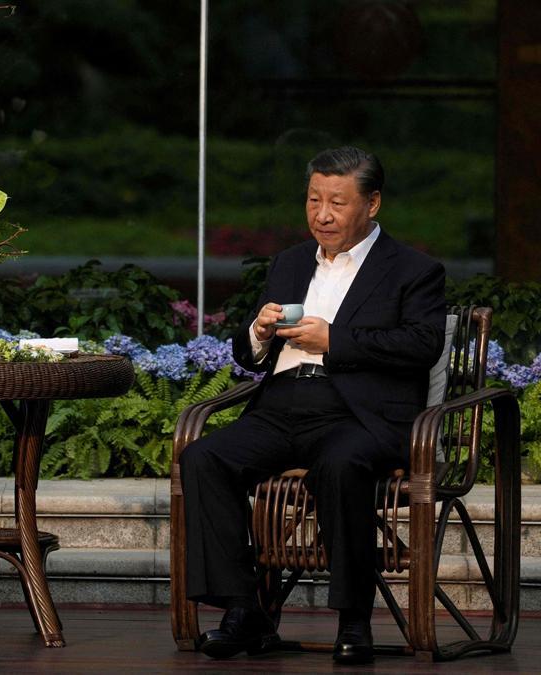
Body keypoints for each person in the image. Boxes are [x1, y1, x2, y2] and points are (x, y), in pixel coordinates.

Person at [178, 147, 446, 665]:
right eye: (313, 200)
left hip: (360, 414)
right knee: (203, 457)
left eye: (337, 203)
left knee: (341, 464)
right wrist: (256, 334)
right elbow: (251, 356)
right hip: (281, 405)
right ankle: (243, 610)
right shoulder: (290, 262)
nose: (322, 214)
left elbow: (421, 344)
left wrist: (335, 341)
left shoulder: (414, 270)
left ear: (372, 204)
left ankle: (353, 620)